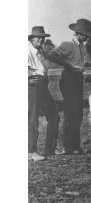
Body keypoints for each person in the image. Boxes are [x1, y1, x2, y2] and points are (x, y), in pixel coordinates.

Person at [47, 18, 91, 154]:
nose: (86, 38)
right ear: (79, 32)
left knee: (78, 113)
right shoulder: (67, 43)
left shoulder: (80, 45)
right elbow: (50, 54)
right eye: (85, 35)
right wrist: (66, 64)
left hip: (77, 78)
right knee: (71, 113)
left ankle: (75, 145)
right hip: (69, 78)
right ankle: (69, 147)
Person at [28, 26, 59, 161]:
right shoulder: (26, 50)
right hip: (33, 85)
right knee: (33, 117)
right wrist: (27, 77)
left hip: (42, 84)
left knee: (53, 115)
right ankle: (31, 151)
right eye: (38, 37)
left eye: (43, 37)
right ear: (32, 38)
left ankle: (50, 148)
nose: (41, 39)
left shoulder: (40, 50)